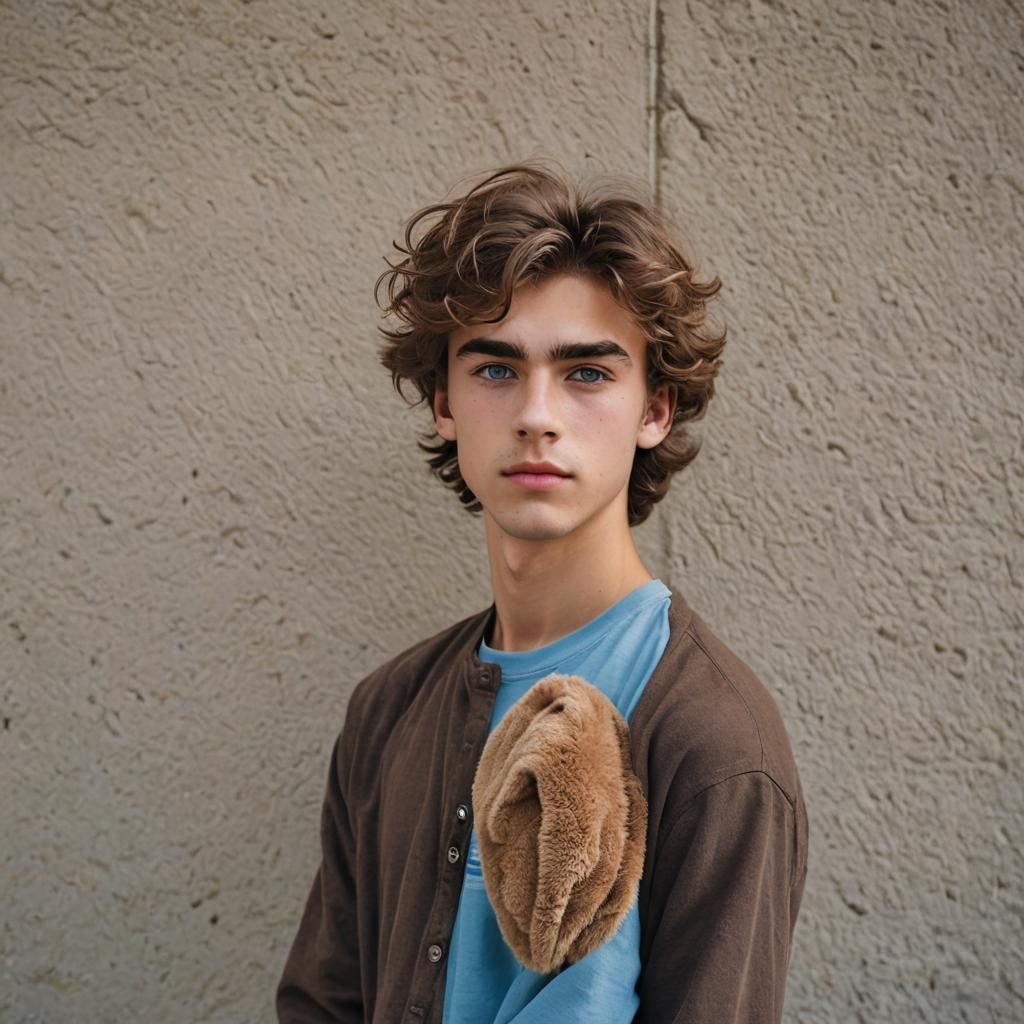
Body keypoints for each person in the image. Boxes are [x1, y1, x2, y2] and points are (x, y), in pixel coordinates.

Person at [276, 162, 808, 1024]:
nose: (537, 415)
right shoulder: (387, 712)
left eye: (587, 373)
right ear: (444, 402)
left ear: (655, 410)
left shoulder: (714, 739)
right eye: (495, 370)